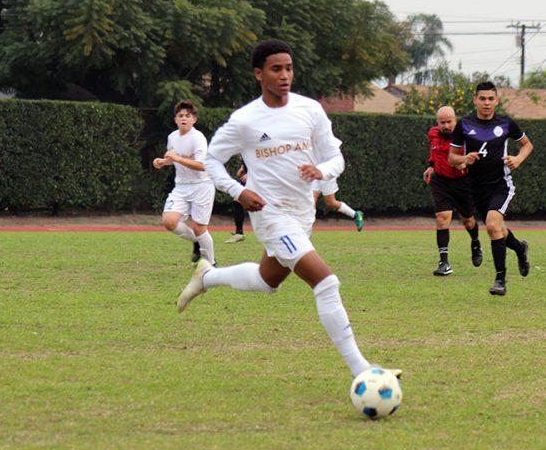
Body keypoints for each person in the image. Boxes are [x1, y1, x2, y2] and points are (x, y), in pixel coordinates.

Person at [176, 39, 399, 380]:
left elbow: (335, 157)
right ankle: (363, 370)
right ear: (259, 74)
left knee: (268, 281)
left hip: (301, 215)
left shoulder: (309, 110)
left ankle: (207, 276)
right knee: (326, 283)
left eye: (289, 68)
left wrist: (321, 172)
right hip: (270, 216)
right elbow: (210, 161)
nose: (285, 75)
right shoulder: (245, 120)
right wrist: (239, 192)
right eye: (276, 69)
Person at [449, 82, 533, 296]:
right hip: (476, 188)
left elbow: (527, 145)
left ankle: (500, 280)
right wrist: (464, 159)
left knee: (493, 226)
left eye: (490, 99)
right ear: (475, 100)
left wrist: (518, 159)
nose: (486, 103)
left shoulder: (506, 123)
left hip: (501, 185)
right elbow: (452, 158)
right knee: (500, 231)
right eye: (482, 98)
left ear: (496, 100)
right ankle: (519, 248)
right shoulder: (464, 125)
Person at [153, 101, 216, 265]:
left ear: (194, 119)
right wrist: (162, 161)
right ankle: (196, 241)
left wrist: (176, 158)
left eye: (188, 116)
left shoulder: (198, 138)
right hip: (181, 186)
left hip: (202, 186)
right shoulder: (172, 137)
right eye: (180, 116)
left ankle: (211, 264)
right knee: (169, 221)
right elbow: (172, 159)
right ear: (175, 119)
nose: (184, 119)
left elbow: (202, 166)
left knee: (199, 227)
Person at [423, 105, 482, 276]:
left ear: (455, 121)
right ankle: (444, 262)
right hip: (441, 181)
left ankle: (475, 242)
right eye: (442, 122)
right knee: (442, 218)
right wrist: (431, 167)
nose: (446, 126)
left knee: (468, 221)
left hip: (462, 182)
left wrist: (466, 162)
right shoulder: (433, 133)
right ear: (437, 123)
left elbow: (477, 155)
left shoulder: (466, 135)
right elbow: (435, 153)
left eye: (449, 122)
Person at [226, 164, 248, 243]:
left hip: (259, 178)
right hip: (249, 179)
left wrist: (250, 175)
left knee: (264, 205)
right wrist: (242, 168)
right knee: (237, 201)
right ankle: (239, 233)